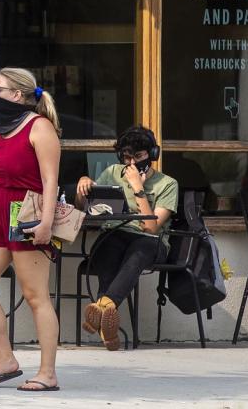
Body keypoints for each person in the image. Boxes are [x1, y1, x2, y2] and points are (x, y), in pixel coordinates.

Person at [0, 67, 62, 392]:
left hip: (27, 213)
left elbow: (51, 180)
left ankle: (47, 373)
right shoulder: (0, 129)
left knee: (36, 296)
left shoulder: (40, 128)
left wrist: (46, 223)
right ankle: (6, 359)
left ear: (17, 95)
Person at [74, 125, 178, 351]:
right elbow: (87, 209)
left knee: (138, 249)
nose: (131, 164)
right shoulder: (112, 172)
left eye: (138, 157)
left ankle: (102, 307)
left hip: (150, 243)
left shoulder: (167, 184)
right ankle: (107, 319)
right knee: (109, 244)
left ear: (151, 154)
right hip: (115, 233)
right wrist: (83, 188)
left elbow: (151, 227)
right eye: (126, 157)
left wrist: (138, 189)